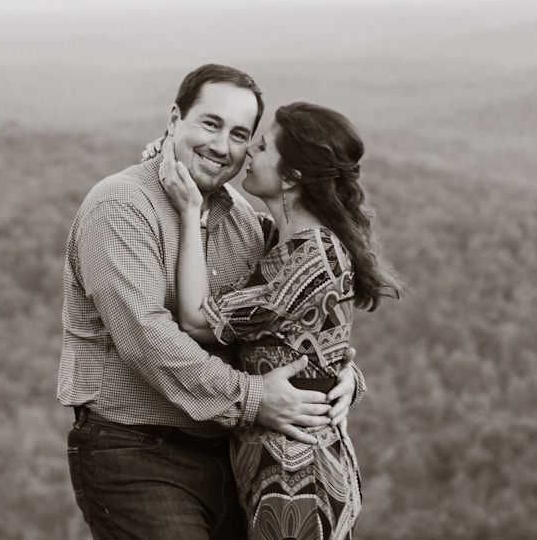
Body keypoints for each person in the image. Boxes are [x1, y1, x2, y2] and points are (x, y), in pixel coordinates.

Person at [58, 65, 365, 540]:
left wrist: (338, 375)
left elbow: (293, 310)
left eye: (241, 134)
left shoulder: (245, 219)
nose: (222, 146)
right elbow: (146, 339)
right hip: (138, 451)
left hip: (231, 455)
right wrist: (254, 398)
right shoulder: (121, 206)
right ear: (174, 118)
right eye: (210, 123)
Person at [158, 101, 404, 539]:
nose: (250, 150)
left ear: (291, 177)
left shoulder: (311, 256)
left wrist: (188, 213)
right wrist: (172, 152)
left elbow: (196, 320)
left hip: (296, 474)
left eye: (264, 146)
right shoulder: (288, 241)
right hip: (282, 461)